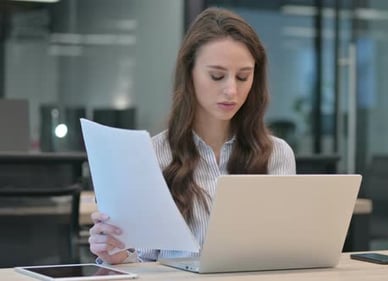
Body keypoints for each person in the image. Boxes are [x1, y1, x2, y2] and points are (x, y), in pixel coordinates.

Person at [88, 7, 296, 264]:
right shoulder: (151, 155)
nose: (231, 90)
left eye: (243, 76)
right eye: (217, 76)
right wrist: (117, 254)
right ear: (190, 74)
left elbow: (285, 253)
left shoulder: (277, 154)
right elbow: (143, 263)